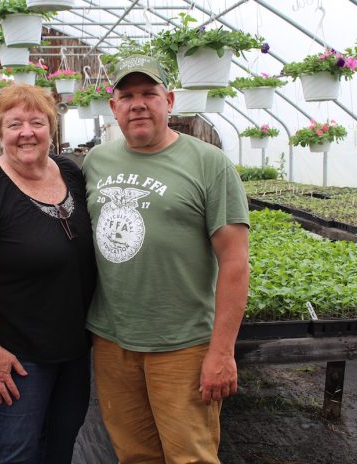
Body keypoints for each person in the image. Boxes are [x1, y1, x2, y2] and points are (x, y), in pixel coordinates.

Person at [82, 55, 250, 463]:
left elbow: (235, 262)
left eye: (149, 94)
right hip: (112, 340)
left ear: (169, 101)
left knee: (190, 456)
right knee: (133, 454)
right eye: (127, 95)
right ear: (114, 107)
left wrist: (222, 352)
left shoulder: (209, 163)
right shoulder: (95, 163)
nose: (138, 103)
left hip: (182, 344)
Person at [0, 84, 96, 464]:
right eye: (14, 124)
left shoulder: (68, 172)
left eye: (37, 121)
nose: (27, 132)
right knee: (17, 453)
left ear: (52, 128)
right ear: (0, 132)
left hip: (73, 348)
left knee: (60, 445)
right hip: (18, 355)